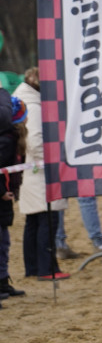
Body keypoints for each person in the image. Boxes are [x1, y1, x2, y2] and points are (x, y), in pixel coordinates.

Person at [14, 67, 69, 280]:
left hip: (28, 172)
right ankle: (47, 268)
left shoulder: (22, 101)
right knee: (48, 220)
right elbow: (35, 142)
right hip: (39, 171)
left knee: (34, 221)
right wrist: (52, 159)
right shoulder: (35, 107)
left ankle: (33, 266)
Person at [0, 91, 27, 302]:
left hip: (5, 197)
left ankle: (3, 282)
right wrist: (2, 191)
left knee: (5, 241)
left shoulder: (11, 138)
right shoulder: (7, 140)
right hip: (2, 196)